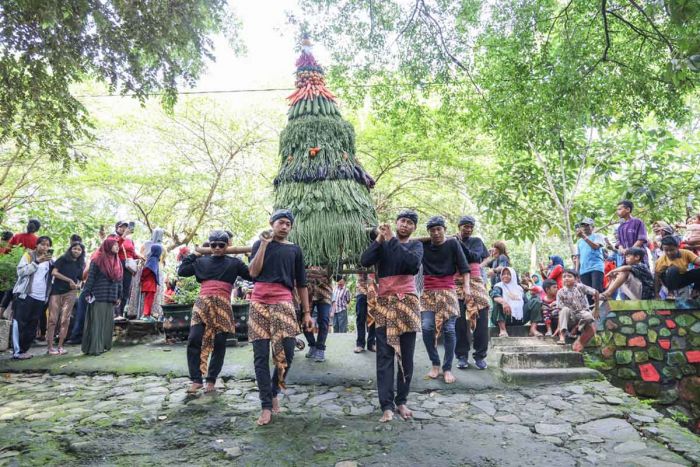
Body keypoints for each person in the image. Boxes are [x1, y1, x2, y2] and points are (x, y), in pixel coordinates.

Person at [248, 210, 312, 426]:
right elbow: (253, 273)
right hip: (258, 302)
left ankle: (274, 390)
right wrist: (264, 245)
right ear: (271, 224)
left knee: (288, 352)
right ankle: (266, 405)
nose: (284, 226)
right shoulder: (259, 245)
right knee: (260, 355)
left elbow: (301, 283)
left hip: (284, 301)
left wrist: (306, 312)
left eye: (288, 224)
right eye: (280, 223)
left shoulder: (294, 250)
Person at [360, 210, 423, 423]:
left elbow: (412, 265)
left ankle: (401, 401)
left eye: (409, 223)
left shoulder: (416, 246)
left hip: (408, 304)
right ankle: (386, 405)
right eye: (402, 221)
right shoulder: (383, 244)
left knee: (406, 355)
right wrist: (380, 239)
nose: (405, 225)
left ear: (414, 228)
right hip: (384, 303)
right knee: (384, 355)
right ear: (396, 223)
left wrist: (391, 241)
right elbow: (365, 260)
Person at [178, 231, 251, 394]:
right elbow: (182, 271)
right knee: (194, 339)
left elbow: (253, 275)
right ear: (209, 246)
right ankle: (196, 379)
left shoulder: (234, 263)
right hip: (202, 303)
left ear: (227, 246)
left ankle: (211, 380)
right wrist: (194, 254)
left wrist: (249, 256)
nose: (217, 248)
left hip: (223, 304)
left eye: (221, 245)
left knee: (219, 343)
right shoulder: (201, 261)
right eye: (213, 245)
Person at [417, 216, 468, 384]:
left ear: (445, 229)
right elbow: (406, 240)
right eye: (432, 230)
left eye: (439, 229)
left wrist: (467, 288)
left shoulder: (453, 244)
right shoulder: (424, 245)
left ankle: (447, 368)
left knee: (449, 329)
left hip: (448, 290)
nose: (436, 233)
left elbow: (464, 267)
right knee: (427, 327)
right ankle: (435, 363)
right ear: (428, 233)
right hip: (428, 291)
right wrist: (427, 238)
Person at [453, 215, 491, 371]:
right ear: (459, 226)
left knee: (482, 314)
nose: (468, 229)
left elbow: (474, 256)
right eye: (465, 226)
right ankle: (462, 356)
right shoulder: (450, 241)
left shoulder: (476, 242)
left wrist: (459, 244)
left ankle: (480, 356)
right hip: (456, 281)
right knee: (459, 317)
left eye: (470, 227)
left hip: (475, 281)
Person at [11, 236, 53, 359]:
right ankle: (17, 352)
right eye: (42, 244)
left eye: (47, 245)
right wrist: (37, 262)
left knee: (33, 324)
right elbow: (21, 272)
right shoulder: (29, 255)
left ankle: (24, 350)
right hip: (25, 295)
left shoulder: (50, 261)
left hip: (40, 297)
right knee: (20, 323)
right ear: (37, 245)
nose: (45, 247)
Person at [82, 238, 122, 356]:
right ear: (107, 246)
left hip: (111, 296)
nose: (117, 247)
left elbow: (119, 280)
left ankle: (104, 345)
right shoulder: (98, 259)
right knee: (97, 322)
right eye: (114, 245)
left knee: (107, 323)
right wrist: (87, 292)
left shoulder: (117, 260)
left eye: (117, 245)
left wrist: (119, 295)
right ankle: (95, 348)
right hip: (98, 295)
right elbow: (91, 277)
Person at [46, 242, 85, 355]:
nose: (76, 251)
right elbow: (54, 273)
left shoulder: (80, 263)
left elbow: (80, 279)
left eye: (79, 250)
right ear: (70, 249)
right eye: (75, 248)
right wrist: (69, 280)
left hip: (71, 293)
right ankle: (50, 347)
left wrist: (78, 285)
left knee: (65, 320)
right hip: (56, 291)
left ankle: (60, 346)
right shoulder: (62, 259)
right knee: (53, 320)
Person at [490, 267, 542, 338]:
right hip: (504, 317)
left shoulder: (519, 289)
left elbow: (526, 303)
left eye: (508, 274)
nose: (505, 276)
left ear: (513, 276)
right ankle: (502, 330)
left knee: (536, 301)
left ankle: (533, 329)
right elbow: (494, 295)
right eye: (503, 274)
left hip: (520, 318)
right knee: (498, 301)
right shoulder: (498, 286)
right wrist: (504, 302)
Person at [556, 269, 600, 351]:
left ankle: (577, 328)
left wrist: (597, 309)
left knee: (589, 317)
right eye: (564, 277)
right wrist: (558, 327)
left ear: (576, 279)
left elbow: (596, 292)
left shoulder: (580, 287)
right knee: (564, 309)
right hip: (570, 317)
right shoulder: (560, 292)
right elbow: (560, 310)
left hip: (582, 313)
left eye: (569, 276)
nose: (566, 278)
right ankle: (562, 336)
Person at [109, 221, 142, 319]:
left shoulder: (130, 240)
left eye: (126, 227)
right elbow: (114, 248)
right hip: (117, 264)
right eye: (121, 227)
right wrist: (123, 235)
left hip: (128, 267)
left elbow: (132, 253)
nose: (124, 228)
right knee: (117, 288)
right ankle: (115, 313)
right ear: (116, 228)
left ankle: (121, 313)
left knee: (125, 290)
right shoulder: (112, 237)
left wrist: (141, 257)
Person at [304, 266, 333, 362]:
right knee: (304, 321)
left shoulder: (328, 258)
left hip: (325, 293)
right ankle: (312, 345)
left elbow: (338, 276)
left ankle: (320, 349)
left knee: (324, 320)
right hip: (308, 292)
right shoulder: (306, 258)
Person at [575, 218, 605, 292]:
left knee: (596, 291)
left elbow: (595, 246)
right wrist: (576, 272)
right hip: (583, 270)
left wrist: (584, 237)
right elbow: (578, 257)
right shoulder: (579, 242)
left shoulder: (598, 236)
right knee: (588, 294)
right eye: (583, 226)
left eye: (587, 225)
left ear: (592, 227)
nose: (584, 227)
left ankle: (600, 303)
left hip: (596, 267)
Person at [353, 273, 376, 353]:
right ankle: (360, 344)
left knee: (373, 317)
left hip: (374, 289)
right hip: (361, 288)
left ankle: (371, 343)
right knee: (361, 317)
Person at [140, 244, 162, 322]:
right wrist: (142, 278)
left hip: (150, 283)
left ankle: (147, 314)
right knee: (148, 299)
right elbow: (146, 270)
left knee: (149, 299)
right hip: (149, 283)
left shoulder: (153, 259)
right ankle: (146, 315)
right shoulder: (153, 259)